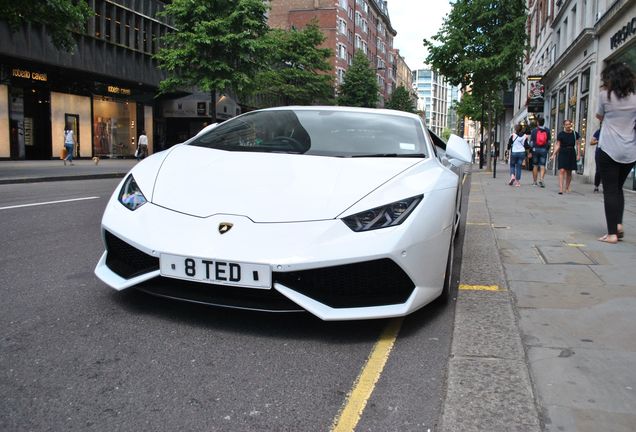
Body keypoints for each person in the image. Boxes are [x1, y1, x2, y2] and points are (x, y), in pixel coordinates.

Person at [595, 62, 636, 244]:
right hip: (630, 150)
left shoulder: (605, 95)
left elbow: (599, 116)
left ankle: (611, 234)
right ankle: (618, 224)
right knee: (618, 188)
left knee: (610, 190)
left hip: (609, 148)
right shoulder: (635, 98)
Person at [550, 119, 580, 194]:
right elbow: (558, 145)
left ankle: (567, 187)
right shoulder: (561, 134)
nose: (568, 126)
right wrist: (553, 154)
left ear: (571, 125)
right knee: (562, 170)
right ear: (564, 126)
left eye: (569, 124)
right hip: (563, 152)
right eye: (566, 125)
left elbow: (578, 144)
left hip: (571, 152)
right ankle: (561, 188)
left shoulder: (575, 134)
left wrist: (578, 154)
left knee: (569, 171)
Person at [529, 117, 551, 187]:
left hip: (535, 149)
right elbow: (549, 142)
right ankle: (541, 179)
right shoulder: (547, 130)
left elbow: (531, 142)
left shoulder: (534, 131)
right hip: (543, 150)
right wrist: (547, 149)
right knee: (542, 165)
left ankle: (535, 182)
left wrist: (530, 151)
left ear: (538, 122)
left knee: (535, 165)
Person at [590, 128, 601, 192]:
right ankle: (596, 186)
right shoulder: (599, 131)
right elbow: (591, 142)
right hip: (600, 152)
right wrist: (598, 141)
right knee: (599, 170)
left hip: (611, 153)